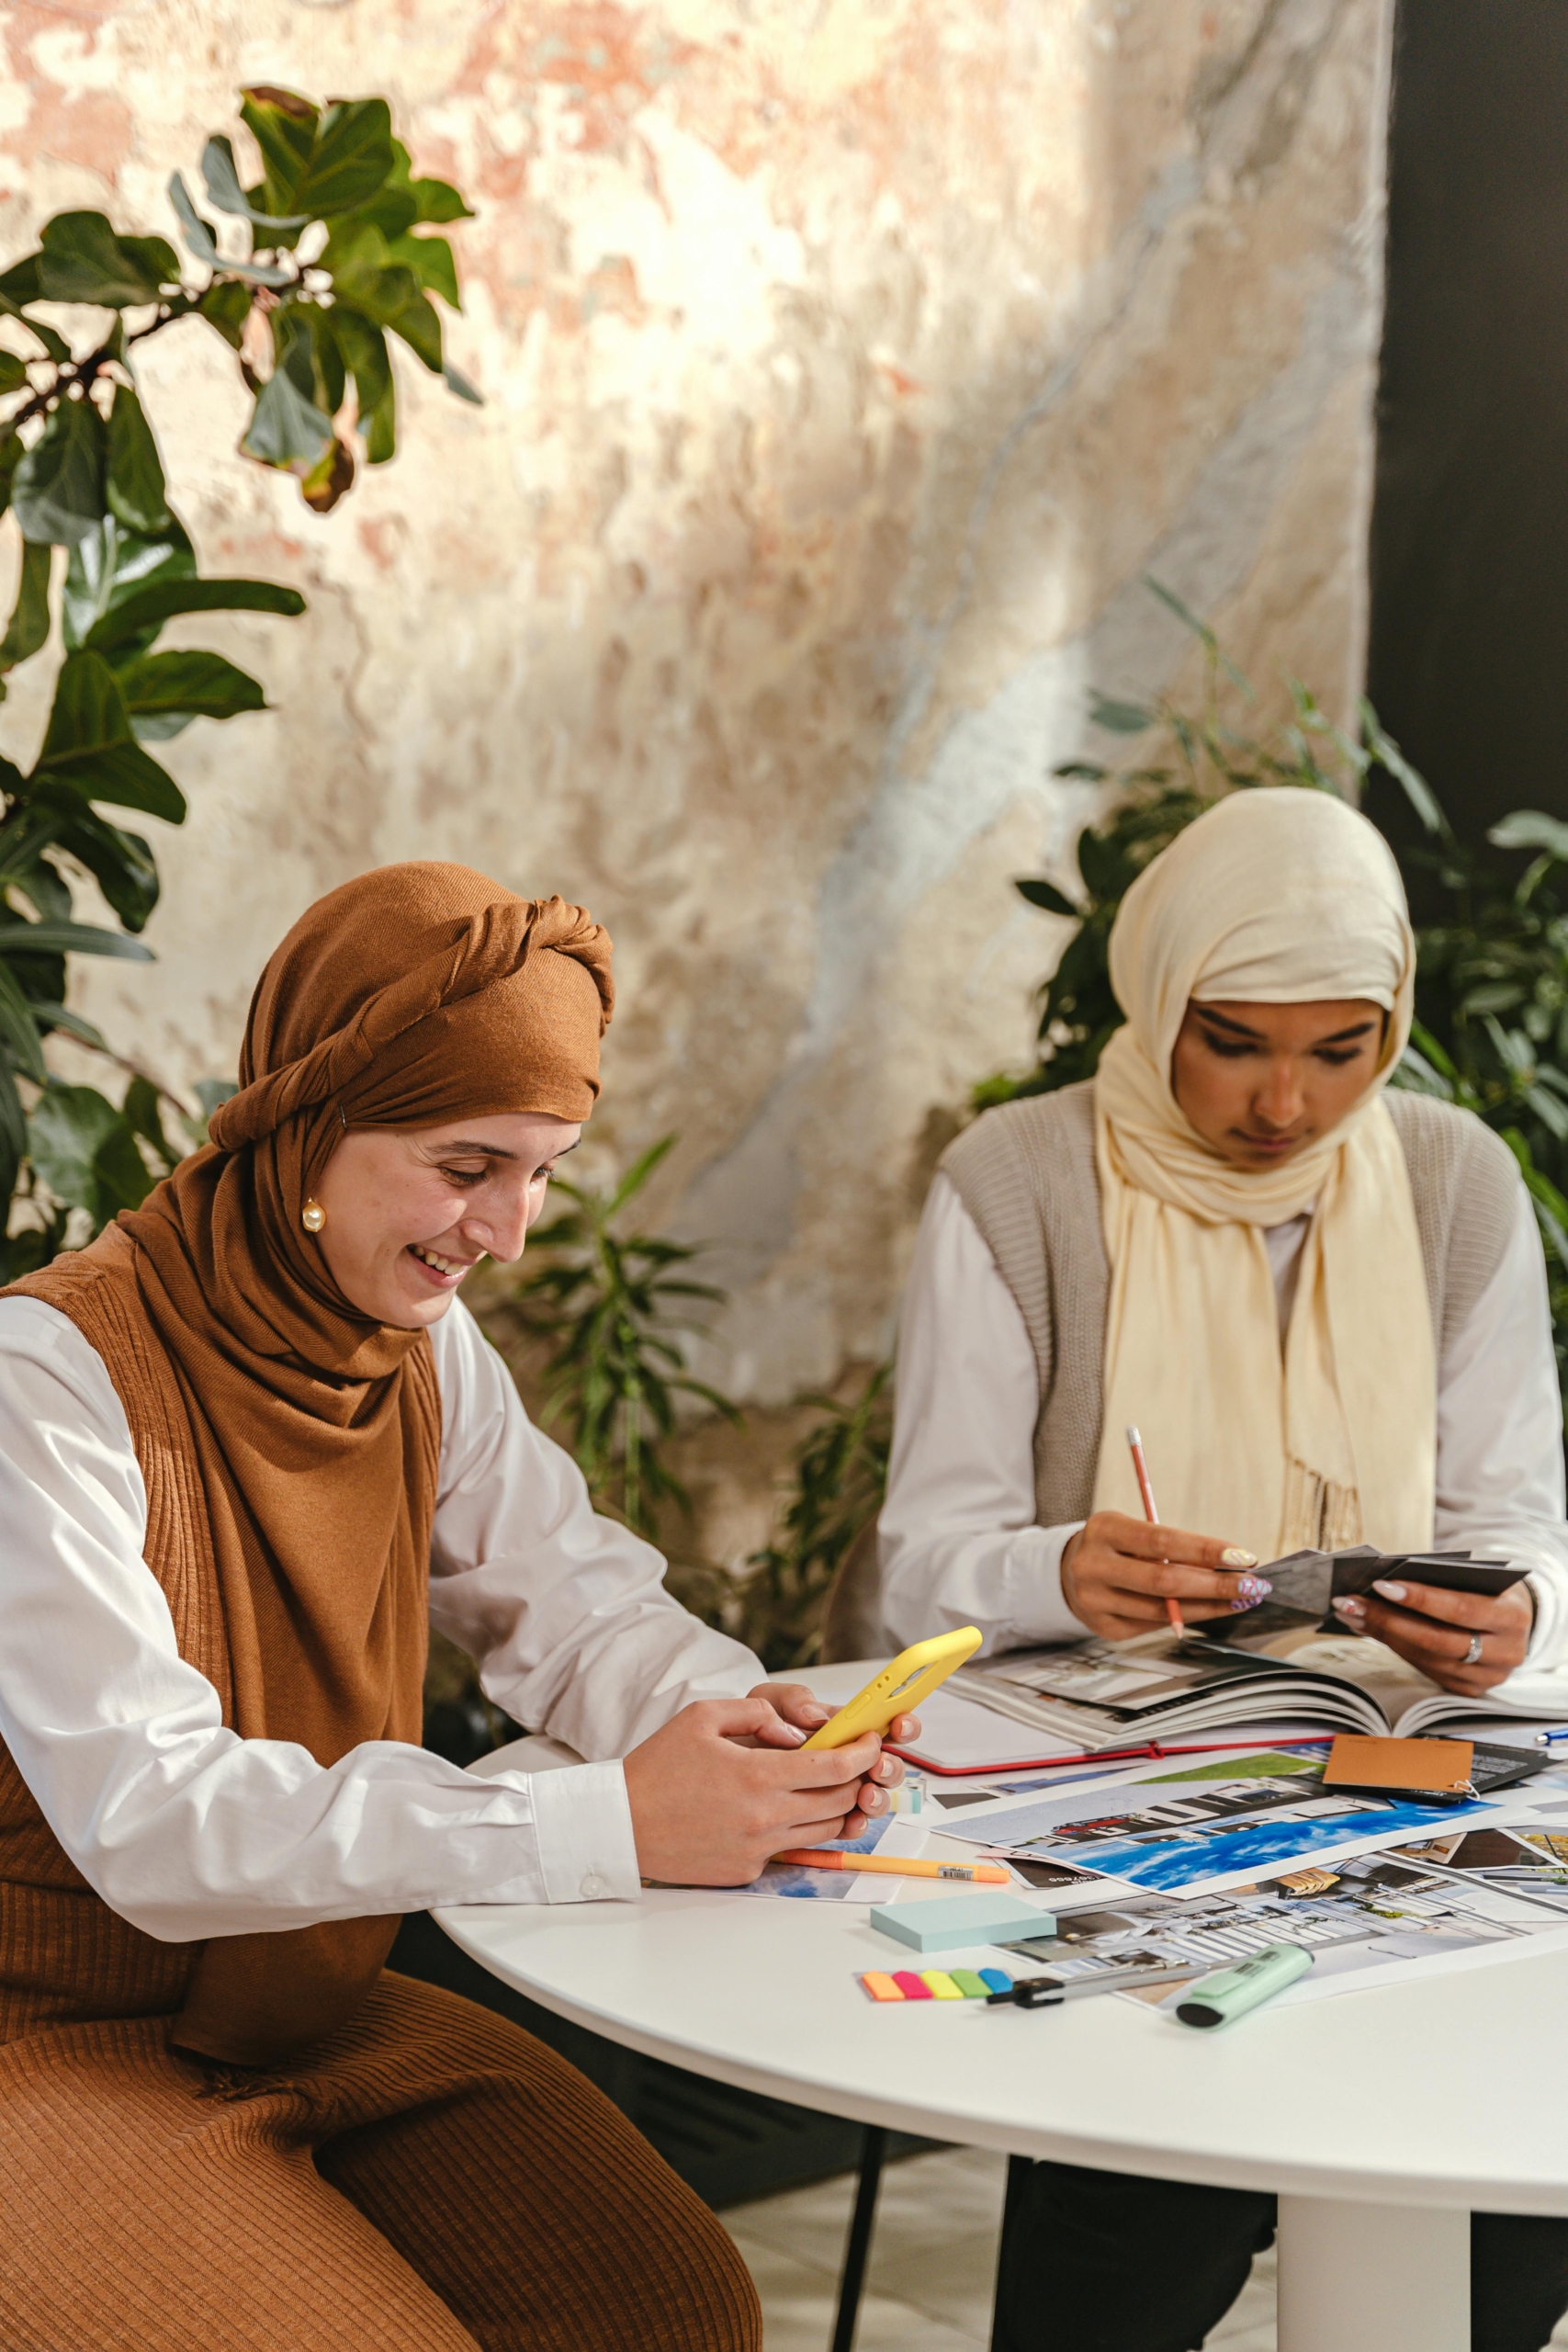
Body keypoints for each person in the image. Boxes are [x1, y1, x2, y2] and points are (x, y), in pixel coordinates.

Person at [0, 862, 917, 2352]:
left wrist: (733, 1721)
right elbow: (155, 1823)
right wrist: (608, 1822)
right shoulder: (45, 1380)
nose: (509, 1228)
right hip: (44, 2037)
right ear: (306, 1124)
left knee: (679, 2314)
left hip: (303, 2001)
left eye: (545, 1168)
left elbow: (573, 1598)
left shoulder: (419, 1346)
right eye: (465, 1163)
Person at [877, 787, 1568, 2352]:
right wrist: (1065, 1570)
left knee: (1503, 2212)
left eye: (1342, 1051)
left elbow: (1525, 1518)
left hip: (1402, 1760)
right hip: (1114, 1788)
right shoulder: (1020, 1182)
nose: (1285, 1104)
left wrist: (1510, 1614)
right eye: (1238, 1040)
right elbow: (920, 1571)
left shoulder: (1454, 1185)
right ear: (1162, 991)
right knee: (1139, 2212)